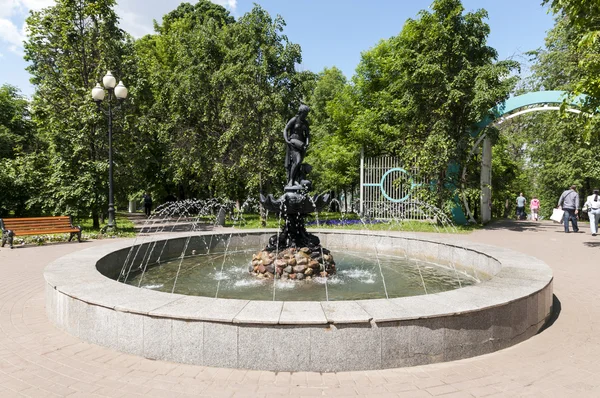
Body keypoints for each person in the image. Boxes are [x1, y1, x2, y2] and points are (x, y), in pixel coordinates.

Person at [283, 105, 310, 188]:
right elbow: (285, 129)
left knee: (298, 164)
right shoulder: (294, 119)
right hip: (293, 143)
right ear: (300, 112)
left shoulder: (305, 123)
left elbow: (308, 135)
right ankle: (291, 180)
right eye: (304, 113)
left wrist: (307, 143)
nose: (305, 115)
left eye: (306, 114)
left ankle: (296, 180)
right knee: (297, 161)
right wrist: (286, 139)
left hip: (302, 145)